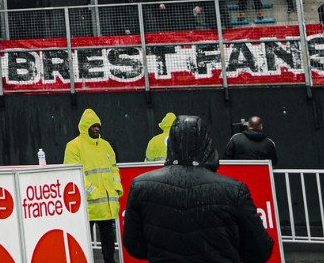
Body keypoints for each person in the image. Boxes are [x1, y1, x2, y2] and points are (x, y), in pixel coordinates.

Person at [122, 114, 273, 263]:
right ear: (208, 144)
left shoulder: (141, 187)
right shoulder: (235, 190)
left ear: (171, 143)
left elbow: (134, 245)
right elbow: (260, 250)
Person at [64, 108, 121, 263]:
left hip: (106, 204)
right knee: (84, 242)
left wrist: (116, 189)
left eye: (98, 126)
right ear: (85, 127)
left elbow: (114, 168)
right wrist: (93, 192)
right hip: (87, 205)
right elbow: (74, 174)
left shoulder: (106, 146)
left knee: (109, 243)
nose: (96, 129)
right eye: (93, 126)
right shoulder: (74, 146)